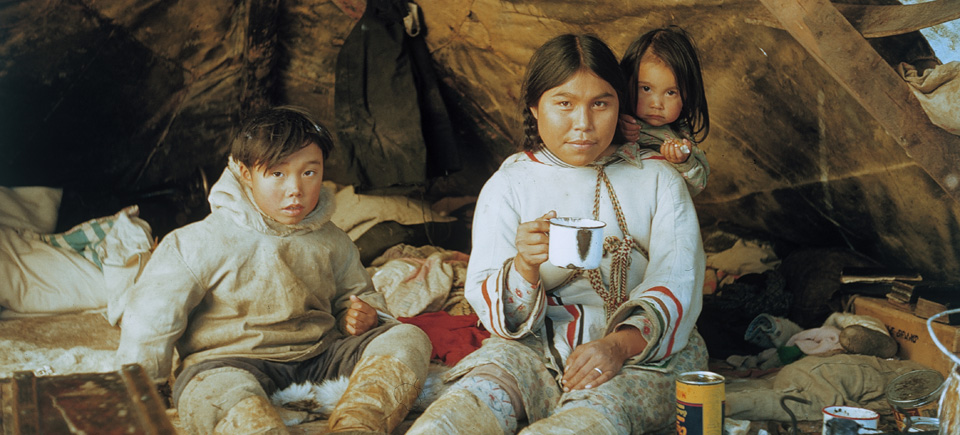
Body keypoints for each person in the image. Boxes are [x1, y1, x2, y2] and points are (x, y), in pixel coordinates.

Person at [406, 34, 707, 435]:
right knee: (470, 403)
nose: (583, 123)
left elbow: (678, 277)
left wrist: (616, 346)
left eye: (600, 103)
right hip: (531, 346)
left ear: (621, 104)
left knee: (592, 418)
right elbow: (488, 297)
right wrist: (524, 265)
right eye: (564, 103)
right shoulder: (511, 183)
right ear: (535, 106)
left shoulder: (657, 179)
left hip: (640, 353)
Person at [114, 106, 431, 434]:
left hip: (321, 356)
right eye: (277, 173)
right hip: (230, 363)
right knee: (213, 393)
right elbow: (151, 322)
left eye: (309, 172)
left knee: (409, 338)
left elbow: (358, 295)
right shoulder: (197, 242)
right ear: (244, 173)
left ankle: (359, 422)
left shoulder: (332, 240)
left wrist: (366, 317)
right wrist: (146, 389)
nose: (295, 188)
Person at [618, 26, 711, 196]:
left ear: (687, 95)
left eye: (671, 93)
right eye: (646, 88)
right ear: (627, 81)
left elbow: (696, 187)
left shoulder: (680, 138)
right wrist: (615, 129)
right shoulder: (615, 118)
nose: (657, 104)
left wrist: (684, 162)